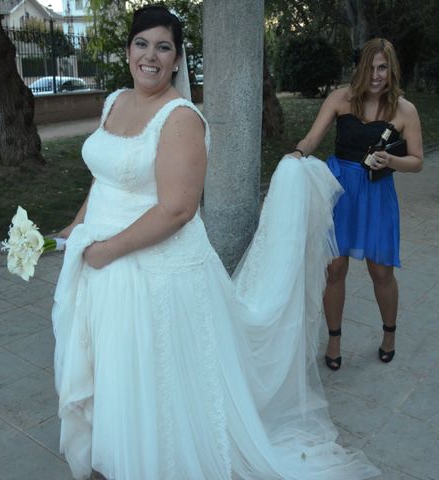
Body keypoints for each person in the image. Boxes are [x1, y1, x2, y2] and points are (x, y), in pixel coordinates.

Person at [53, 5, 380, 480]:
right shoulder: (115, 101)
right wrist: (76, 225)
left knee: (152, 377)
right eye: (142, 44)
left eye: (164, 47)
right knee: (115, 368)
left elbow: (178, 210)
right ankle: (116, 453)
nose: (151, 56)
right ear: (127, 51)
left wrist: (104, 251)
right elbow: (102, 180)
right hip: (103, 260)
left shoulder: (181, 118)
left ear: (177, 59)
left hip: (153, 272)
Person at [290, 38, 424, 371]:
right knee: (334, 269)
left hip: (377, 196)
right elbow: (311, 139)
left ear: (392, 69)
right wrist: (295, 155)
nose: (377, 76)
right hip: (339, 192)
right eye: (372, 67)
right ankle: (334, 339)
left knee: (381, 271)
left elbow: (418, 161)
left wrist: (391, 160)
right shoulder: (340, 98)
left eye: (384, 68)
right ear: (360, 67)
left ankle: (389, 334)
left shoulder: (405, 110)